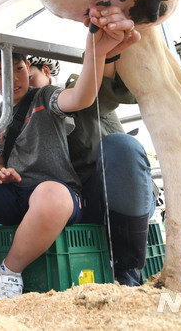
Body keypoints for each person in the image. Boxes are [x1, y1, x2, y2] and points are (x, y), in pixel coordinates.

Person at [0, 5, 140, 302]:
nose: (15, 78)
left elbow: (81, 96)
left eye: (19, 68)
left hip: (55, 196)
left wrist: (95, 51)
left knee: (52, 195)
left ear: (28, 66)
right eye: (2, 73)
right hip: (15, 195)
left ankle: (8, 272)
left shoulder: (45, 97)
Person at [27, 55, 155, 286]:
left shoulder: (76, 94)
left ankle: (126, 270)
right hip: (73, 205)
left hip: (120, 194)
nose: (25, 88)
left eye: (29, 78)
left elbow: (111, 87)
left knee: (122, 145)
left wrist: (101, 50)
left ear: (46, 72)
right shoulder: (21, 119)